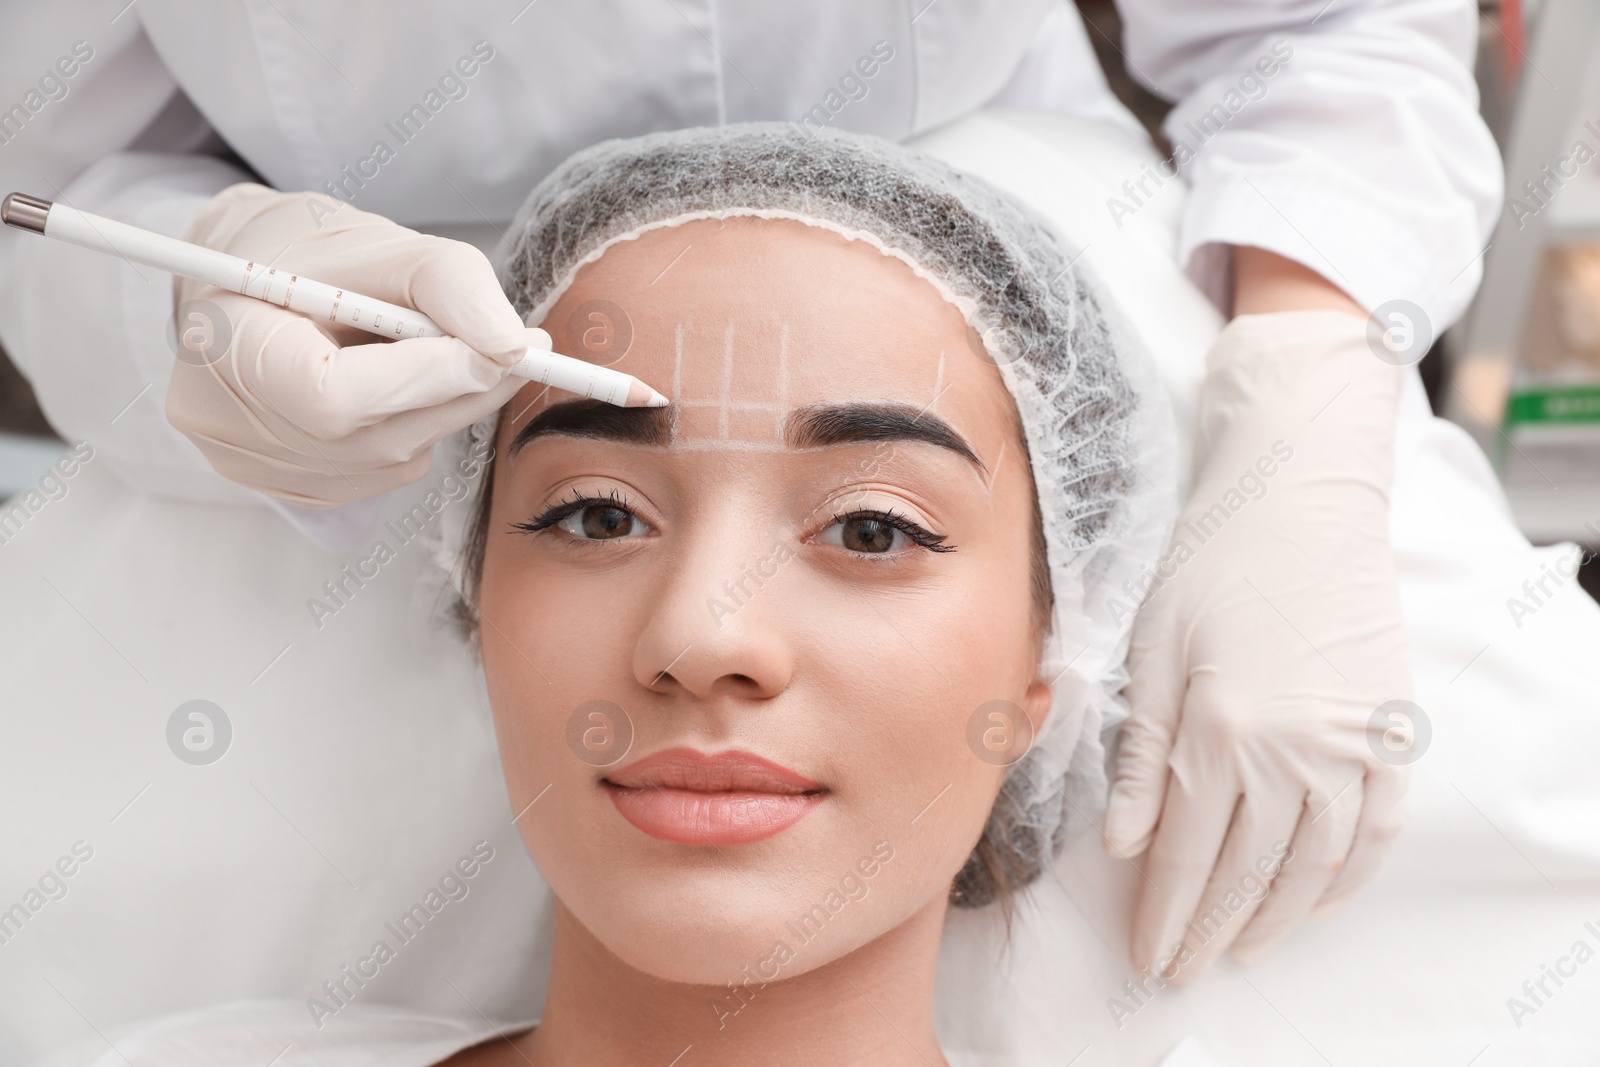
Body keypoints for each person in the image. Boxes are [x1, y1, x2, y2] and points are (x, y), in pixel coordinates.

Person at [0, 1, 1500, 979]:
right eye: (596, 512)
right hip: (390, 317)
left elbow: (1329, 25)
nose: (706, 638)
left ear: (1055, 654)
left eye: (869, 525)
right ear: (468, 593)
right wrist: (203, 305)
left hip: (1026, 222)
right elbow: (43, 166)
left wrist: (1303, 406)